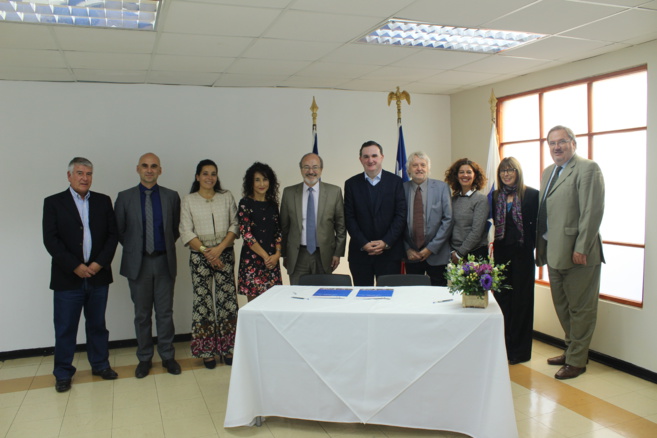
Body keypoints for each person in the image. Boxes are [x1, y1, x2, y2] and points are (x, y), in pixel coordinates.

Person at [42, 157, 119, 393]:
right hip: (68, 278)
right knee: (65, 328)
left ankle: (100, 365)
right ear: (69, 176)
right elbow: (51, 240)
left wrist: (98, 263)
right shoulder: (54, 202)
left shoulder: (103, 201)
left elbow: (112, 236)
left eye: (88, 174)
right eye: (79, 173)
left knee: (97, 325)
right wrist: (75, 265)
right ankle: (63, 373)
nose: (84, 178)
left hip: (97, 275)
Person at [536, 125, 605, 380]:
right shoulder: (548, 172)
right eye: (552, 143)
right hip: (554, 252)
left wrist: (582, 247)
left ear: (573, 143)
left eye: (562, 142)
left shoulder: (587, 169)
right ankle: (572, 349)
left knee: (581, 308)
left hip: (579, 254)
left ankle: (578, 359)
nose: (556, 147)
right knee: (563, 306)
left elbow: (592, 211)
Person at [115, 153, 182, 378]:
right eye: (145, 166)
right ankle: (144, 358)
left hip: (164, 261)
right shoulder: (124, 197)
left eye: (154, 166)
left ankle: (167, 356)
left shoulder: (171, 197)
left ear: (160, 170)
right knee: (142, 314)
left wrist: (159, 247)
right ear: (138, 169)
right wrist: (138, 249)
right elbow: (121, 231)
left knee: (165, 313)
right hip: (138, 263)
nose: (149, 170)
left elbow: (174, 229)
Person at [179, 159, 239, 368]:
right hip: (200, 256)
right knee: (203, 303)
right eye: (205, 173)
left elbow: (235, 224)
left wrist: (220, 249)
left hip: (224, 253)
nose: (209, 178)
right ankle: (207, 351)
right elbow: (186, 230)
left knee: (227, 301)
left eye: (213, 173)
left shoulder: (226, 197)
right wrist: (207, 252)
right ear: (197, 177)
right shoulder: (188, 200)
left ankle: (229, 349)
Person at [492, 157, 539, 365]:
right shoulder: (494, 196)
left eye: (510, 170)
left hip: (523, 255)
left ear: (518, 172)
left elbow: (539, 228)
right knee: (502, 301)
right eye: (503, 171)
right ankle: (503, 347)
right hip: (501, 255)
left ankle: (519, 352)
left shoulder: (532, 195)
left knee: (522, 302)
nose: (506, 174)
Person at [344, 140, 406, 286]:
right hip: (360, 254)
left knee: (387, 300)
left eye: (374, 156)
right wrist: (363, 243)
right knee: (362, 298)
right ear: (360, 160)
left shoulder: (396, 182)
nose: (370, 160)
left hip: (389, 254)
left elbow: (400, 215)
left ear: (382, 157)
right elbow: (349, 217)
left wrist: (385, 242)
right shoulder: (351, 184)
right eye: (366, 156)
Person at [280, 153, 347, 285]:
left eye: (315, 167)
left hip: (324, 255)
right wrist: (285, 254)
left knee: (322, 296)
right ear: (301, 170)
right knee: (297, 296)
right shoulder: (289, 193)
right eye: (306, 167)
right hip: (298, 256)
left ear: (321, 169)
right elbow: (284, 227)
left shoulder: (334, 192)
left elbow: (341, 226)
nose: (311, 171)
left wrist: (337, 253)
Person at [403, 151, 453, 286]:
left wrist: (431, 248)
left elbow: (448, 220)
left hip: (437, 254)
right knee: (414, 296)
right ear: (408, 169)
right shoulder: (402, 189)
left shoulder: (442, 188)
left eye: (423, 165)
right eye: (415, 165)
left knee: (439, 296)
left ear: (428, 168)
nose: (419, 168)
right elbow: (398, 221)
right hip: (411, 255)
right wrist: (407, 248)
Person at [238, 162, 283, 301]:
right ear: (251, 182)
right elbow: (247, 234)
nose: (261, 183)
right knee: (254, 308)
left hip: (272, 262)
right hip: (252, 261)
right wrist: (266, 257)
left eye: (265, 179)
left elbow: (278, 232)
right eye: (257, 180)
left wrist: (276, 255)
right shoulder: (245, 203)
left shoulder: (273, 205)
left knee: (273, 305)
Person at [444, 158, 489, 264]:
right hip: (454, 253)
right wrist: (453, 252)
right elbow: (448, 227)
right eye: (461, 172)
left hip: (475, 254)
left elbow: (476, 232)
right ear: (456, 176)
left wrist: (460, 254)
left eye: (469, 172)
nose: (465, 175)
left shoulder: (480, 199)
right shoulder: (453, 199)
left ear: (475, 176)